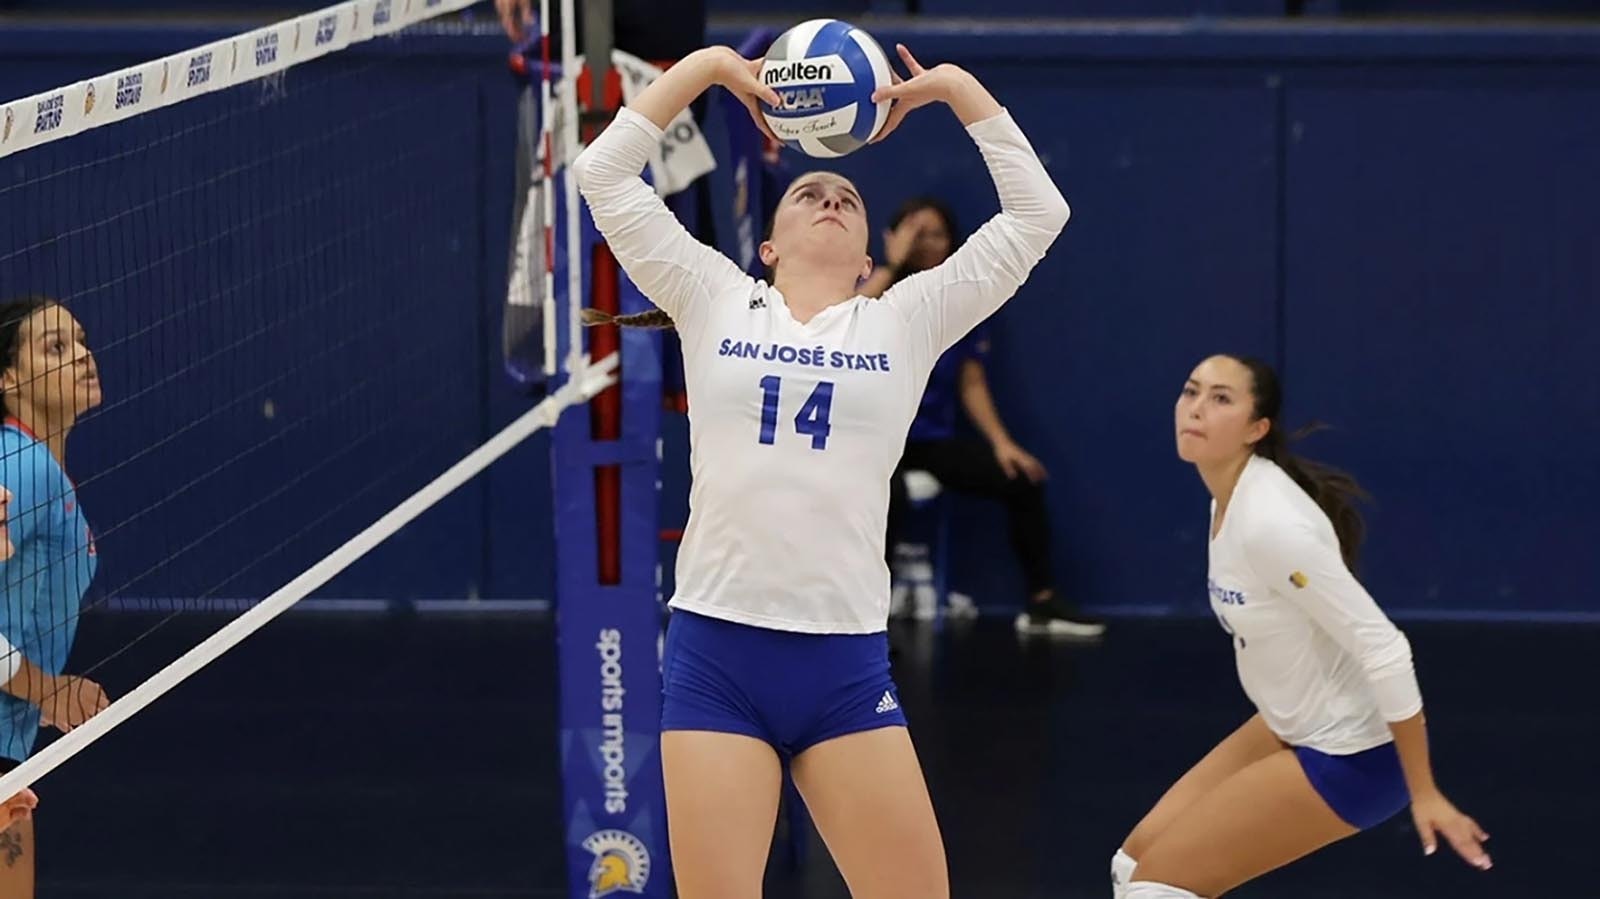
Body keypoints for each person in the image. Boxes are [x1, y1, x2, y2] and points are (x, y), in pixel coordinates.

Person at [571, 41, 1069, 898]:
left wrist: (953, 91)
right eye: (810, 191)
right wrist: (715, 69)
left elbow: (1038, 217)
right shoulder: (712, 293)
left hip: (842, 665)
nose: (830, 197)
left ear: (870, 263)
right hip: (717, 655)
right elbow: (602, 177)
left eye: (845, 195)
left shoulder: (904, 318)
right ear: (767, 245)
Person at [1109, 354, 1488, 898]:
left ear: (1256, 429)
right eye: (1191, 391)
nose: (1196, 409)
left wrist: (1424, 791)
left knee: (1156, 890)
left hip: (1354, 755)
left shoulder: (1271, 522)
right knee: (1132, 867)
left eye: (1221, 399)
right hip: (1291, 723)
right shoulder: (1226, 498)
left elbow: (1384, 647)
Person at [862, 197, 1102, 636]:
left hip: (930, 440)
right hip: (873, 442)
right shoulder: (873, 291)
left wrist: (1002, 443)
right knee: (879, 494)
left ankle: (1043, 603)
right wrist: (892, 264)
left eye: (934, 234)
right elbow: (843, 324)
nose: (924, 243)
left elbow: (971, 382)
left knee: (1021, 478)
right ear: (891, 238)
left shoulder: (958, 303)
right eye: (915, 233)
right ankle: (865, 616)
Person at [0, 298, 111, 895]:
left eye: (82, 342)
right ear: (7, 379)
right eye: (56, 348)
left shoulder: (39, 467)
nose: (83, 357)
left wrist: (39, 698)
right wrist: (50, 689)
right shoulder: (18, 469)